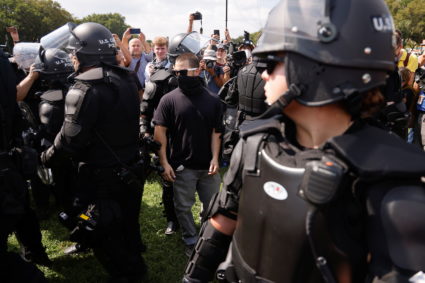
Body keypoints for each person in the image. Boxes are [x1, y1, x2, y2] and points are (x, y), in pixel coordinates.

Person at [183, 0, 425, 282]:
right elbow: (222, 221)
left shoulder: (388, 179)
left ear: (318, 67)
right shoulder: (256, 143)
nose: (263, 73)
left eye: (273, 62)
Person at [40, 22, 147, 282]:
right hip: (131, 169)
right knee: (128, 225)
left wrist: (44, 159)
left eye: (75, 51)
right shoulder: (127, 77)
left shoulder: (83, 88)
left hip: (102, 177)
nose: (72, 57)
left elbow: (70, 140)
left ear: (87, 53)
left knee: (106, 235)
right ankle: (136, 265)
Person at [153, 52, 223, 257]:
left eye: (182, 72)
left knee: (211, 207)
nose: (178, 76)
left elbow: (216, 132)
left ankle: (206, 237)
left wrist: (215, 158)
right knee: (183, 207)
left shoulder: (213, 100)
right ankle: (191, 240)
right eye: (176, 72)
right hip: (182, 167)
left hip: (208, 167)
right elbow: (160, 133)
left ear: (197, 71)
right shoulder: (168, 100)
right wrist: (164, 162)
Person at [0, 47, 47, 283]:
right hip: (10, 155)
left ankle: (33, 257)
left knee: (19, 208)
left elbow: (14, 96)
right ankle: (35, 252)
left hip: (7, 157)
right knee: (21, 208)